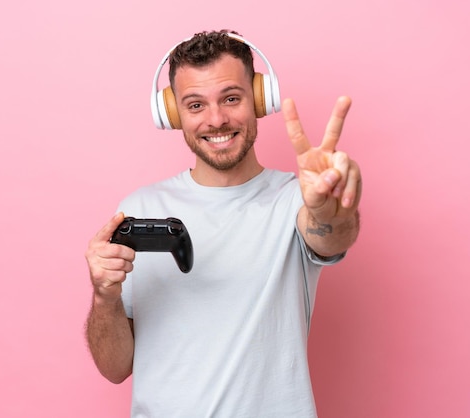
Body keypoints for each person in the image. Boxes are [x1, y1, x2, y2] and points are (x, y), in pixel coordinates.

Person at [84, 29, 362, 417]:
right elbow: (115, 368)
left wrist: (334, 209)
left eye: (231, 98)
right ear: (173, 113)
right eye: (195, 105)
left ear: (260, 100)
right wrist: (104, 296)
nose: (216, 120)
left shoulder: (294, 199)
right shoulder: (139, 208)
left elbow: (330, 237)